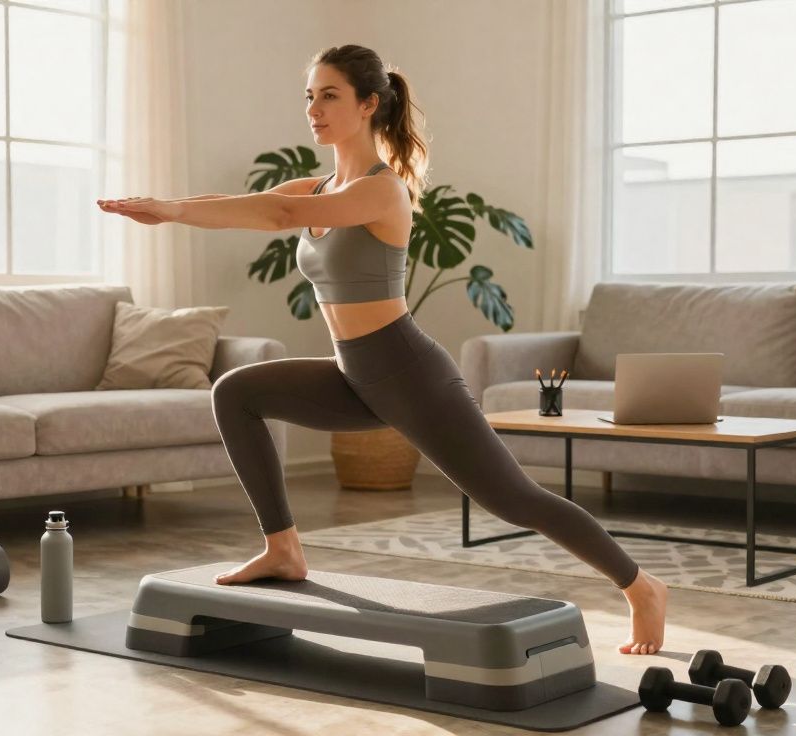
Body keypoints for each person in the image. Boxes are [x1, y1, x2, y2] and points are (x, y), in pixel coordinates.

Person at [96, 44, 667, 655]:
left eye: (330, 95)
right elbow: (252, 207)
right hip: (354, 374)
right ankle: (283, 548)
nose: (313, 108)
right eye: (309, 96)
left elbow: (281, 211)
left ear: (369, 104)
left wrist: (172, 212)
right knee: (235, 391)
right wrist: (166, 208)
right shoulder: (322, 184)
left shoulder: (382, 191)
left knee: (513, 499)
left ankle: (640, 588)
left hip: (407, 372)